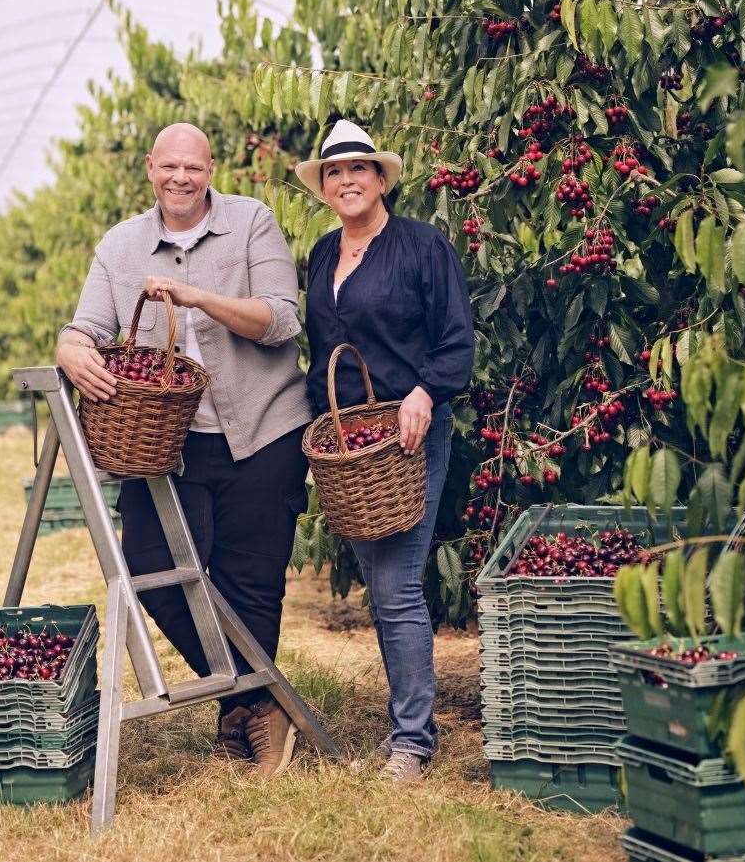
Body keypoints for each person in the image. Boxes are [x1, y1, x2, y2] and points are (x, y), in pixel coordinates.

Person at [56, 122, 312, 775]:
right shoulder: (121, 246)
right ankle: (260, 701)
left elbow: (282, 317)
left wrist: (197, 298)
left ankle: (244, 720)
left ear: (211, 169)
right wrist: (70, 349)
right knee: (147, 567)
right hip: (168, 442)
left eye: (192, 168)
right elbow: (84, 326)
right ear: (150, 168)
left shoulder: (251, 222)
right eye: (169, 166)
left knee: (249, 583)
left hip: (263, 428)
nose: (180, 178)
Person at [295, 119, 474, 781]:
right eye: (335, 172)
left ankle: (412, 740)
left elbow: (456, 339)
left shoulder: (422, 247)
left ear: (380, 179)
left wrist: (426, 392)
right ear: (324, 185)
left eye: (359, 169)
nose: (347, 181)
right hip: (351, 448)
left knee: (396, 583)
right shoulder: (320, 254)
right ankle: (409, 722)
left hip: (408, 435)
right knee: (379, 581)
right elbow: (320, 353)